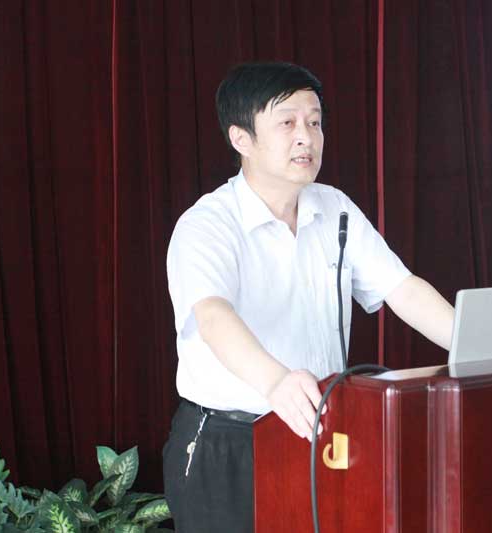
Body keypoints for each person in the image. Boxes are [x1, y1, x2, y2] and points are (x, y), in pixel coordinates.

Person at [162, 62, 454, 533]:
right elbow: (213, 317)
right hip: (229, 441)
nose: (307, 137)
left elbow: (402, 289)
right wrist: (276, 382)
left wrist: (472, 345)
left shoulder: (333, 207)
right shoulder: (208, 224)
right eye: (288, 123)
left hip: (320, 430)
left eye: (315, 122)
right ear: (241, 139)